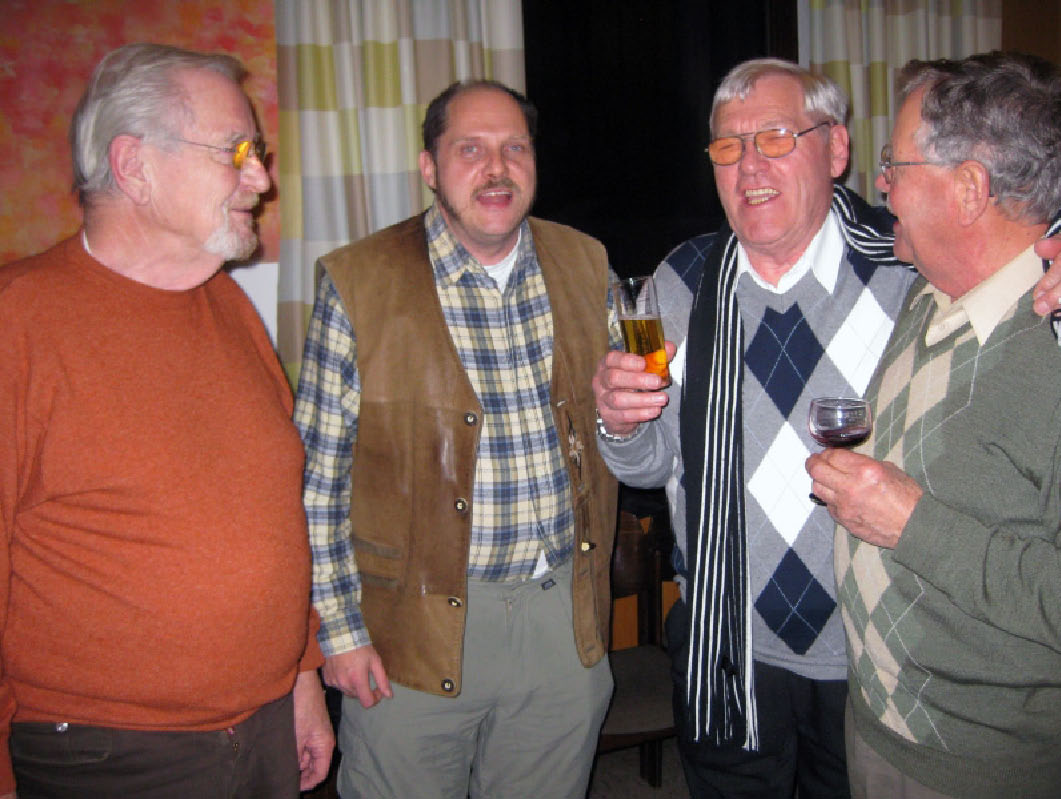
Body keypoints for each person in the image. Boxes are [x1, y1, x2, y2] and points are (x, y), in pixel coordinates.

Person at [592, 58, 1061, 799]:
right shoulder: (680, 280)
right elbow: (650, 465)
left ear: (836, 149)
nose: (749, 166)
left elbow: (1014, 237)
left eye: (776, 138)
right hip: (727, 644)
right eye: (728, 147)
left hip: (871, 660)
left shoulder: (910, 267)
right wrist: (619, 422)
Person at [0, 44, 333, 799]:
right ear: (134, 167)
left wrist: (301, 678)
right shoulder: (20, 321)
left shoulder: (228, 305)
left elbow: (275, 515)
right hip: (109, 756)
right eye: (235, 152)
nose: (261, 179)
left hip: (260, 726)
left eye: (257, 154)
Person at [293, 80, 617, 799]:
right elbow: (316, 482)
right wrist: (338, 634)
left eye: (514, 148)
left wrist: (627, 419)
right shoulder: (359, 281)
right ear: (429, 167)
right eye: (470, 150)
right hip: (409, 635)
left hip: (563, 622)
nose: (496, 168)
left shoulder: (586, 263)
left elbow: (619, 431)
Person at [806, 52, 1061, 799]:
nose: (880, 184)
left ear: (970, 189)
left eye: (895, 165)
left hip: (985, 767)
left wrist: (912, 524)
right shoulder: (929, 292)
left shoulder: (1056, 348)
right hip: (878, 725)